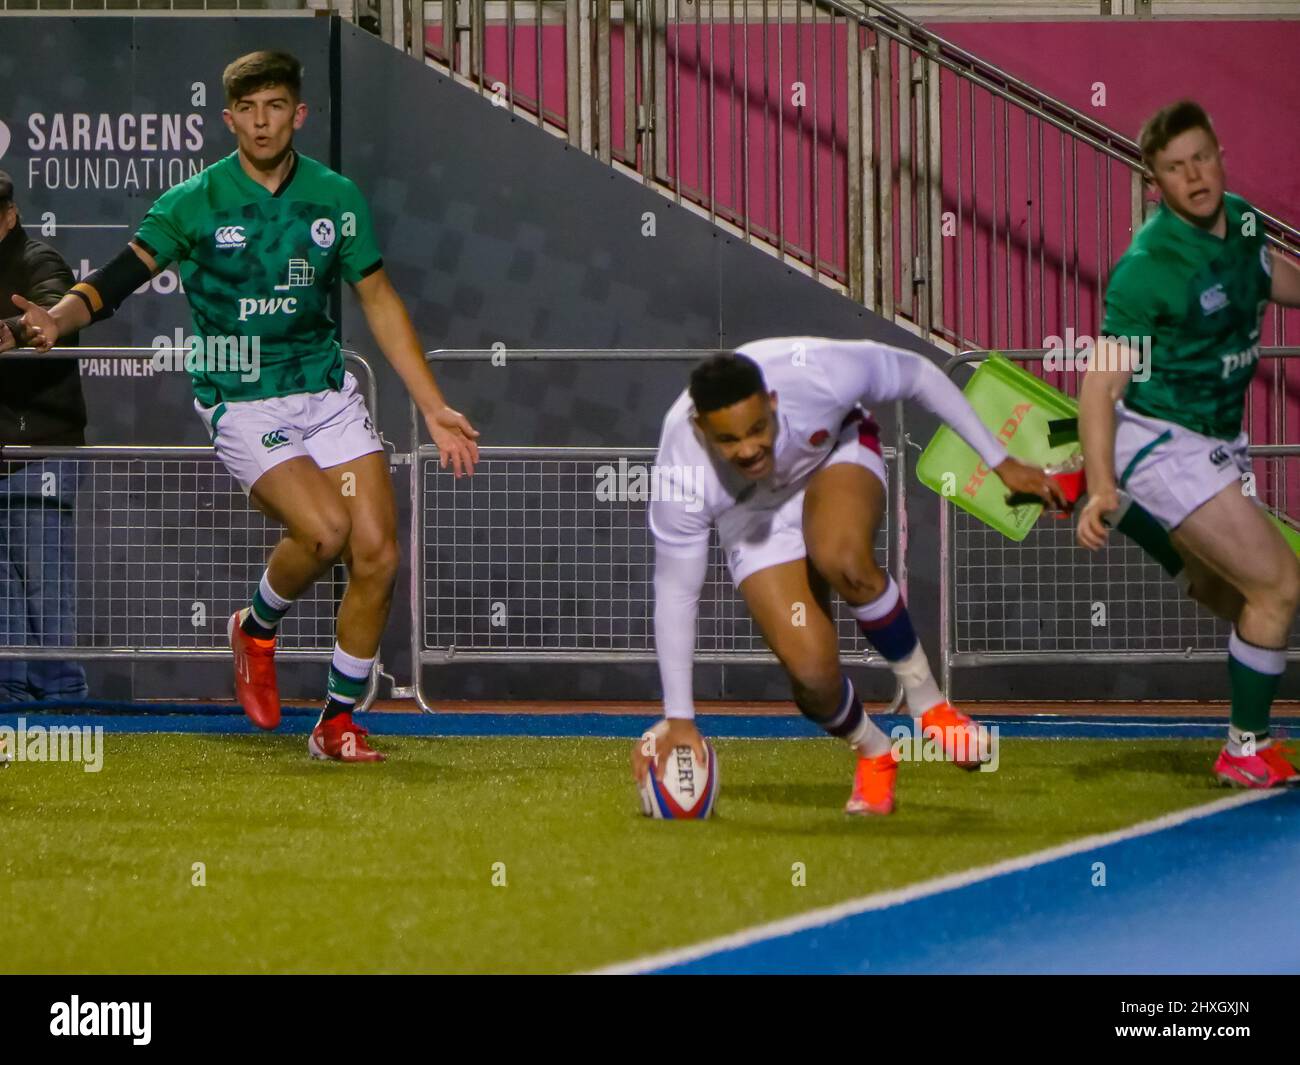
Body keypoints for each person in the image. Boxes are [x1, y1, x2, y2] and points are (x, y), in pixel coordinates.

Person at [8, 51, 480, 761]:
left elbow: (378, 299)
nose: (263, 122)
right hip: (240, 397)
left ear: (299, 113)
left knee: (377, 553)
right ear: (229, 118)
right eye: (249, 110)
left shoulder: (336, 197)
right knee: (324, 532)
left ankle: (335, 723)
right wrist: (54, 319)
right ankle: (256, 627)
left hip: (324, 393)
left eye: (276, 107)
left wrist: (435, 406)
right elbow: (111, 283)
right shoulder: (192, 202)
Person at [633, 337, 1066, 815]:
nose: (750, 448)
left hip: (834, 457)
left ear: (773, 401)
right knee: (813, 679)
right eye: (729, 440)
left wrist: (1000, 461)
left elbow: (919, 374)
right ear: (700, 429)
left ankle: (929, 705)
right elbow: (676, 593)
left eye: (758, 428)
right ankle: (875, 751)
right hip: (752, 517)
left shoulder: (819, 374)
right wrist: (680, 719)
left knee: (842, 556)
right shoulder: (681, 476)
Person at [1076, 99, 1300, 788]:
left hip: (1218, 436)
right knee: (1280, 585)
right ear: (1155, 184)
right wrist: (1101, 478)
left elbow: (1272, 273)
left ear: (1220, 154)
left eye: (1202, 157)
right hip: (1164, 439)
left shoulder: (1241, 217)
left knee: (1235, 599)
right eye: (1176, 168)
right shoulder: (1146, 268)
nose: (1195, 175)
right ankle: (1245, 746)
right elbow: (1096, 388)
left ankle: (1139, 517)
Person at [0, 170, 89, 704]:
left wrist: (18, 326)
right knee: (3, 588)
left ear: (8, 214)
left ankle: (63, 695)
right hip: (3, 447)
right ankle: (9, 692)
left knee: (42, 579)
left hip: (40, 448)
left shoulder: (37, 260)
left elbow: (56, 308)